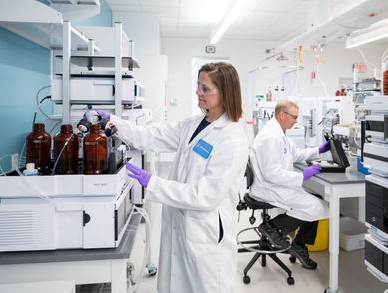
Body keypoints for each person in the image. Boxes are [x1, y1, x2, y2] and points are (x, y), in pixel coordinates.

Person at [86, 62, 249, 293]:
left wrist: (153, 183)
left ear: (224, 93)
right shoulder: (194, 124)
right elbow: (151, 135)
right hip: (181, 224)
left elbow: (205, 196)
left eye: (205, 88)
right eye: (197, 86)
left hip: (206, 234)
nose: (197, 93)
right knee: (176, 283)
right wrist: (112, 121)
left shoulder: (231, 138)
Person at [249, 99, 330, 270]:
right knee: (320, 207)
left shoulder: (279, 132)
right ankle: (272, 227)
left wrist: (318, 150)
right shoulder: (271, 136)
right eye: (294, 117)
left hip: (275, 185)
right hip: (268, 188)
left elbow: (295, 154)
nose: (296, 121)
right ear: (281, 115)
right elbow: (272, 173)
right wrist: (301, 176)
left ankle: (298, 244)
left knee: (316, 201)